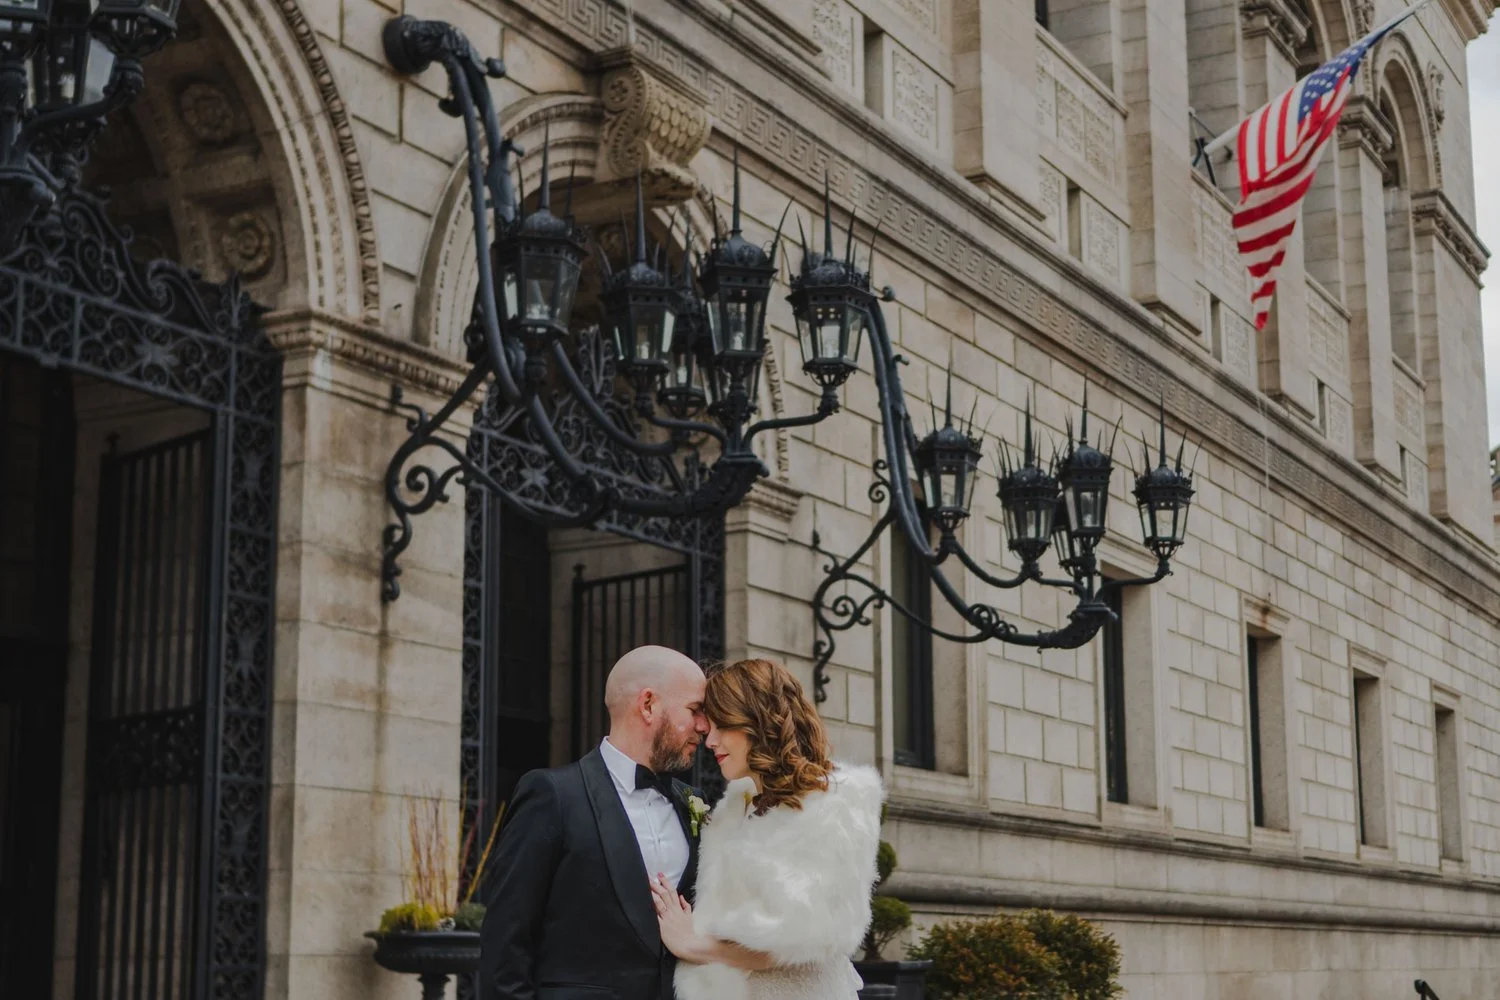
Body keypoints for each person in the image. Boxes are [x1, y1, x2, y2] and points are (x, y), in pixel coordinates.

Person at [479, 644, 710, 1000]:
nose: (704, 726)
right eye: (695, 710)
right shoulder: (553, 796)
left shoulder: (694, 804)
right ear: (648, 705)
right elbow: (505, 946)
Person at [649, 658, 884, 1000]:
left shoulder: (834, 805)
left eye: (722, 725)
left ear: (757, 720)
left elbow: (801, 938)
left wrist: (691, 945)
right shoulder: (737, 807)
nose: (710, 740)